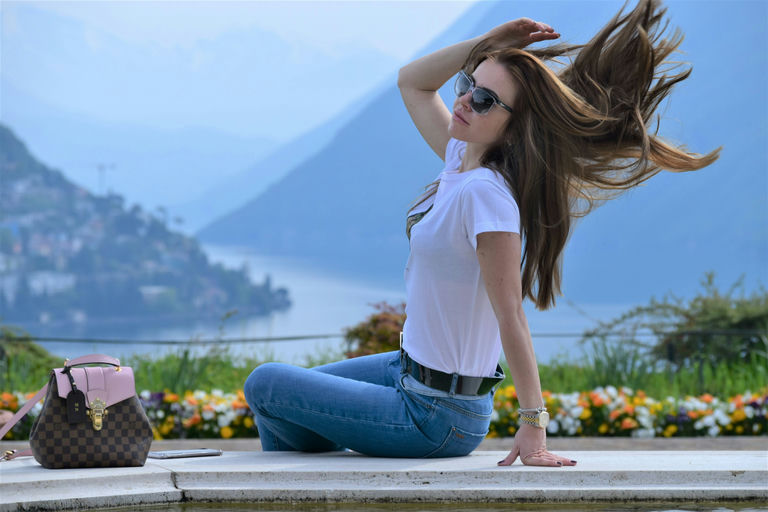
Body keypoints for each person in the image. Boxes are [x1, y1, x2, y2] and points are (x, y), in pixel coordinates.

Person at [244, 0, 719, 466]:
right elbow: (412, 82)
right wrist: (488, 43)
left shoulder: (485, 195)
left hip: (435, 413)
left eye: (485, 100)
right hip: (406, 373)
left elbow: (511, 312)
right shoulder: (460, 159)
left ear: (513, 130)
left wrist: (533, 422)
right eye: (469, 84)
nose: (465, 100)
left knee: (266, 384)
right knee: (283, 403)